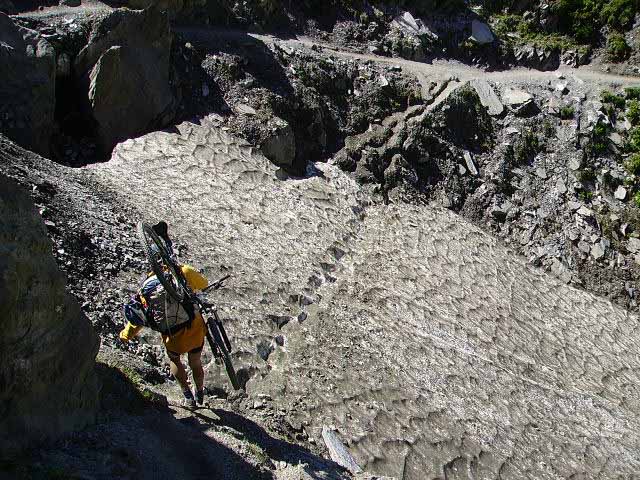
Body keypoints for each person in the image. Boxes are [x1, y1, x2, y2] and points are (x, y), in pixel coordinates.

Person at [120, 222, 209, 407]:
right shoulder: (182, 272)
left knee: (175, 360)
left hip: (173, 338)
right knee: (196, 362)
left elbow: (139, 318)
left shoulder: (146, 288)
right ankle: (200, 392)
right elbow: (204, 284)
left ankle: (187, 396)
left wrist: (125, 335)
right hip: (194, 330)